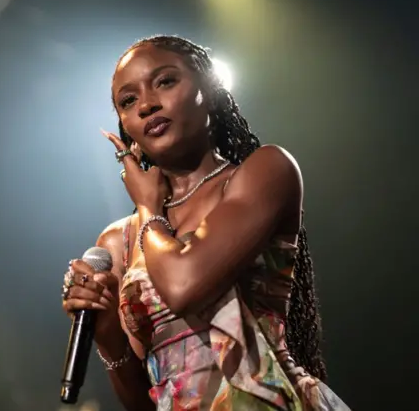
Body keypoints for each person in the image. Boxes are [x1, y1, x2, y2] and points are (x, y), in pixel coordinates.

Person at [61, 35, 350, 411]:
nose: (147, 105)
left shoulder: (264, 172)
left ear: (209, 90)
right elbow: (145, 402)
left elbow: (184, 286)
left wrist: (149, 209)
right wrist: (107, 336)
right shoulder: (118, 241)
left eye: (165, 81)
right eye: (128, 101)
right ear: (126, 127)